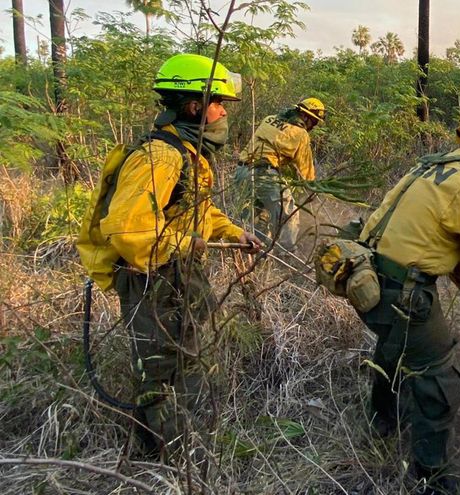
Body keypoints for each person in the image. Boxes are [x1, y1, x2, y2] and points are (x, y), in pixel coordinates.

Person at [94, 53, 261, 456]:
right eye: (219, 104)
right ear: (194, 106)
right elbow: (126, 229)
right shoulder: (162, 156)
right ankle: (171, 457)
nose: (223, 113)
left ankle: (182, 445)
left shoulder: (185, 153)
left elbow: (193, 208)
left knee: (186, 360)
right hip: (152, 277)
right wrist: (186, 245)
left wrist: (231, 231)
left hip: (176, 272)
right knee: (161, 370)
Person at [356, 117, 460, 493]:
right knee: (440, 381)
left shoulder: (426, 165)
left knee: (394, 348)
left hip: (367, 279)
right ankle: (432, 477)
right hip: (405, 294)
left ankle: (381, 425)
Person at [235, 98, 325, 250]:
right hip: (264, 174)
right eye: (314, 122)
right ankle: (286, 253)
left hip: (242, 171)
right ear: (305, 117)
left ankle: (253, 252)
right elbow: (306, 169)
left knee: (253, 217)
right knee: (287, 214)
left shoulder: (269, 119)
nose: (313, 127)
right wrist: (312, 189)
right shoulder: (300, 134)